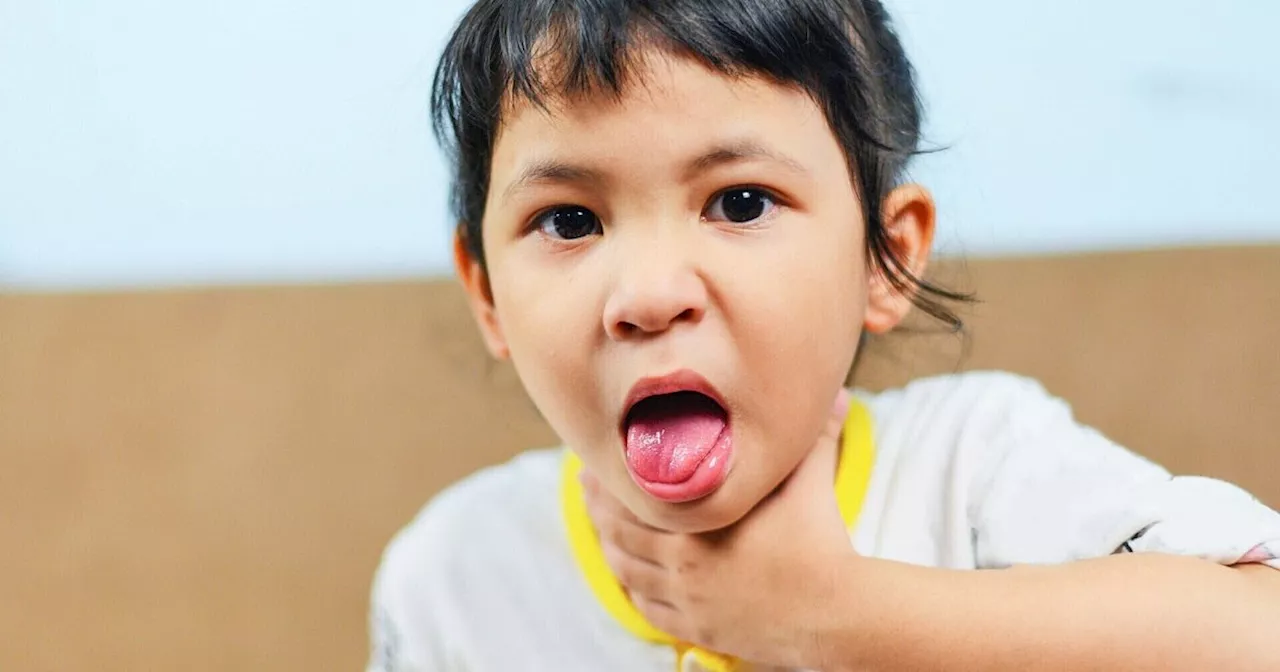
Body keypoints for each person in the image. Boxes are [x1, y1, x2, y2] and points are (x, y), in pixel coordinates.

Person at [367, 0, 1280, 669]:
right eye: (569, 222)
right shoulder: (454, 577)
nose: (646, 295)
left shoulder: (975, 470)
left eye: (740, 202)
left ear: (884, 257)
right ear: (485, 294)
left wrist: (828, 615)